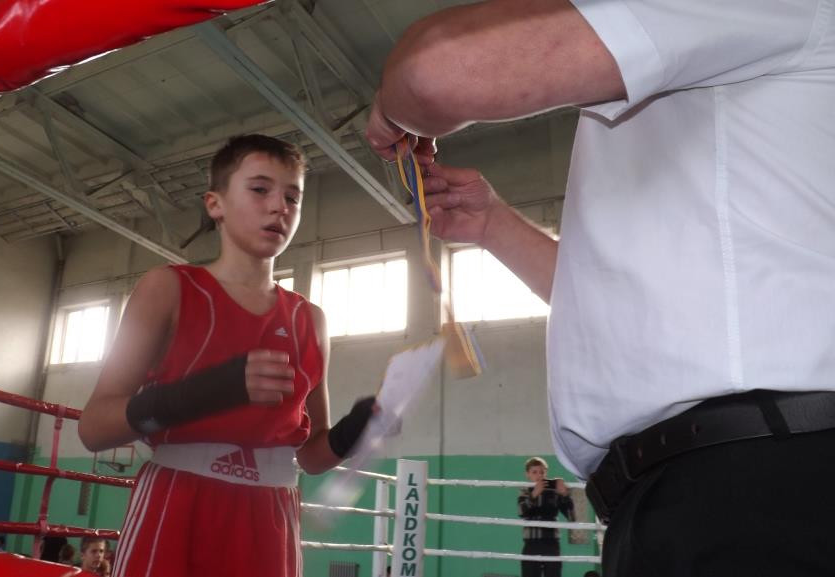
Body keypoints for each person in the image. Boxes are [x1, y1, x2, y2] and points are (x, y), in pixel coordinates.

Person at [364, 1, 835, 576]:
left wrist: (390, 107)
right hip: (694, 487)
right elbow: (636, 310)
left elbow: (436, 69)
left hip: (758, 481)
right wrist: (493, 226)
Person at [78, 134, 378, 577]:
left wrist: (355, 430)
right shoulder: (167, 288)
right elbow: (94, 428)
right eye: (260, 189)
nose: (279, 207)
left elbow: (311, 457)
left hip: (271, 514)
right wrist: (210, 390)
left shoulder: (310, 320)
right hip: (178, 502)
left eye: (292, 197)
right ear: (215, 204)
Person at [518, 457, 574, 577]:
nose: (539, 475)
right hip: (531, 543)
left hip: (551, 543)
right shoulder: (525, 490)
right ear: (527, 474)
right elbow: (521, 512)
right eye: (534, 472)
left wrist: (565, 494)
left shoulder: (553, 491)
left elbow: (571, 516)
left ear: (546, 473)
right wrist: (534, 494)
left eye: (542, 472)